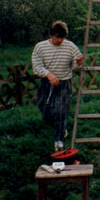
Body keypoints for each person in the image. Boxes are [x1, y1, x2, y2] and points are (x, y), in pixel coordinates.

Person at [32, 21, 84, 151]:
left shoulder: (71, 46)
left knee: (61, 112)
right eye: (58, 37)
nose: (60, 40)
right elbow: (36, 66)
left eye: (63, 37)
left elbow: (76, 69)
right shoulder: (40, 47)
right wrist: (48, 74)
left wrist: (79, 64)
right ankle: (61, 127)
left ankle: (59, 141)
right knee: (45, 112)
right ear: (51, 35)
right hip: (46, 83)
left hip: (64, 83)